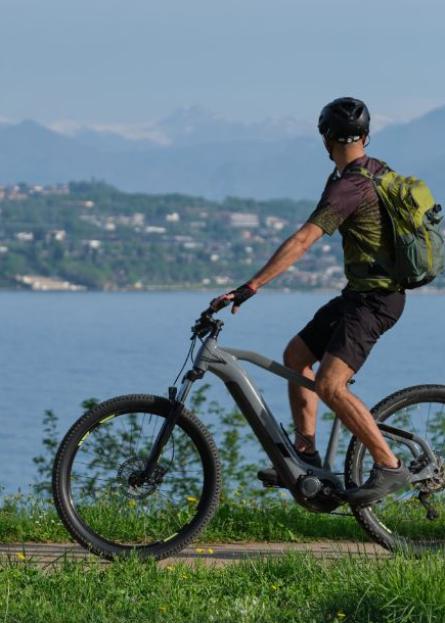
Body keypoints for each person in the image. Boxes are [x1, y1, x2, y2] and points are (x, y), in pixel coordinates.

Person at [210, 96, 411, 505]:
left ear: (326, 139)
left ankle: (390, 465)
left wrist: (252, 285)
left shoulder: (348, 186)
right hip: (361, 295)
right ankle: (306, 452)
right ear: (366, 136)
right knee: (296, 355)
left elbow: (304, 239)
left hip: (375, 302)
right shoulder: (375, 171)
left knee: (330, 385)